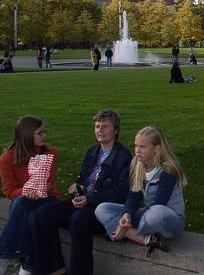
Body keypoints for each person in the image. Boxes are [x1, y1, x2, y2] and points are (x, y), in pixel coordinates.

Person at [29, 110, 132, 275]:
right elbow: (83, 179)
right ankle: (54, 268)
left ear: (116, 130)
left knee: (78, 219)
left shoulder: (123, 156)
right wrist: (77, 186)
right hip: (82, 202)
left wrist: (89, 199)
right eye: (97, 126)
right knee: (43, 214)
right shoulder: (92, 151)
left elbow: (120, 192)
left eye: (105, 127)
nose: (100, 130)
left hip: (102, 208)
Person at [95, 126, 186, 257]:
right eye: (136, 146)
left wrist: (124, 226)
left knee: (155, 213)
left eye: (142, 147)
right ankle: (147, 240)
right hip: (147, 214)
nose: (137, 151)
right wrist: (127, 214)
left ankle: (124, 233)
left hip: (167, 219)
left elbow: (159, 203)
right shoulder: (136, 163)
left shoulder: (168, 169)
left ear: (156, 148)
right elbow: (134, 194)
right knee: (102, 209)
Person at [0, 117, 59, 269]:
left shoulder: (50, 153)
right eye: (40, 133)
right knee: (27, 213)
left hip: (47, 198)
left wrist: (37, 190)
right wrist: (26, 191)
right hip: (23, 200)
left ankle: (5, 251)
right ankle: (28, 266)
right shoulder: (7, 158)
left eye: (44, 132)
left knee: (20, 205)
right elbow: (9, 190)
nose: (44, 136)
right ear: (26, 135)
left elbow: (49, 185)